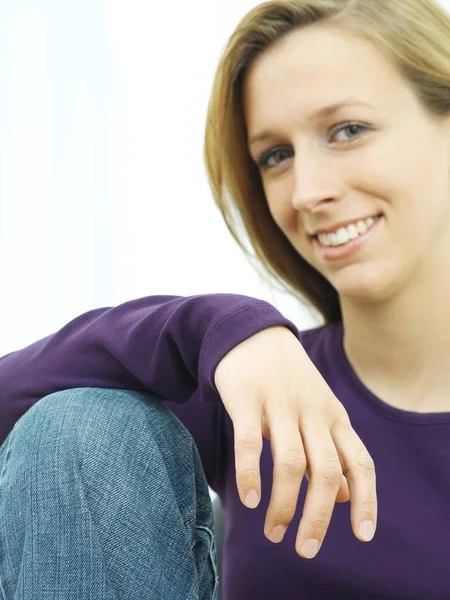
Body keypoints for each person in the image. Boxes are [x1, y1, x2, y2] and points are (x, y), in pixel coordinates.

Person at [0, 0, 449, 597]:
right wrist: (213, 327)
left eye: (348, 130)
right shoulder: (262, 393)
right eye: (276, 156)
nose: (308, 192)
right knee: (78, 426)